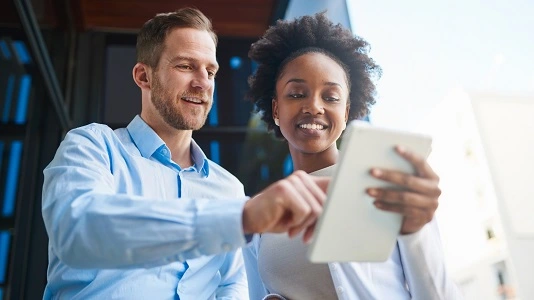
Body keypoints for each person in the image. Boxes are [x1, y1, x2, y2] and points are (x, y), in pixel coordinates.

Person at [41, 8, 329, 300]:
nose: (202, 82)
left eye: (210, 71)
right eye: (185, 66)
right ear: (144, 76)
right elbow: (78, 231)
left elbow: (231, 284)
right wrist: (240, 217)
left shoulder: (228, 188)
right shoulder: (93, 146)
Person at [243, 12, 463, 299]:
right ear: (275, 110)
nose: (314, 106)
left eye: (331, 97)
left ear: (346, 113)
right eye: (297, 94)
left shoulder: (387, 184)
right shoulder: (261, 213)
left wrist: (415, 229)